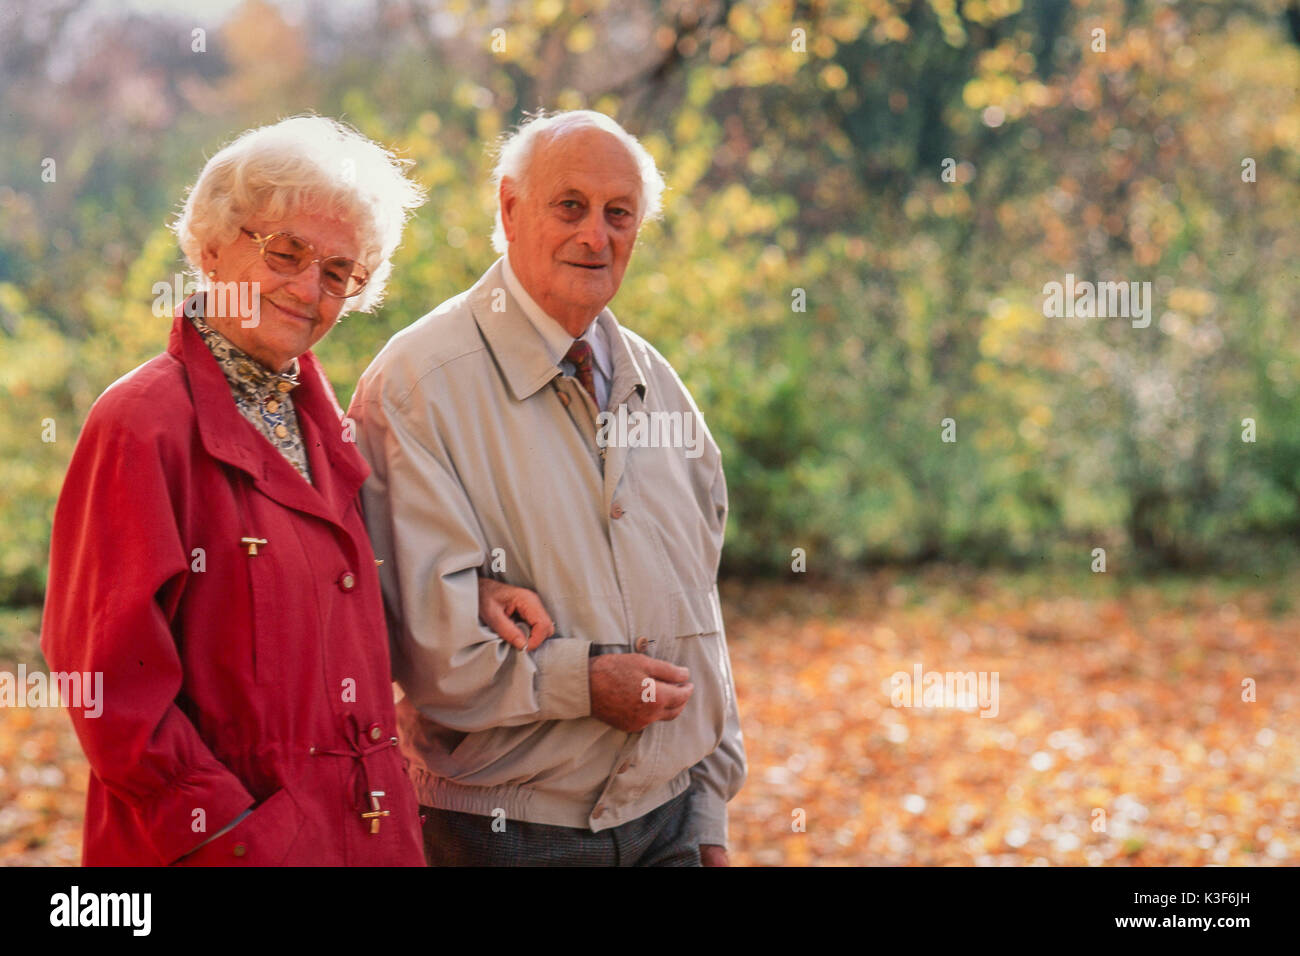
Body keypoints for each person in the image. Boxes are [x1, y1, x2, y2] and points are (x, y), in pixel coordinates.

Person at [40, 115, 552, 866]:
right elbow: (105, 681)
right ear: (212, 246)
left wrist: (458, 592)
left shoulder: (322, 422)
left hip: (367, 836)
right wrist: (227, 832)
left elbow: (324, 587)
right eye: (287, 253)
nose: (309, 287)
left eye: (339, 273)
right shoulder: (141, 424)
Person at [349, 110, 746, 867]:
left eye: (618, 214)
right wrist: (586, 683)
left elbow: (702, 609)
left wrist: (708, 809)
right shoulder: (417, 387)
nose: (595, 235)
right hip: (504, 836)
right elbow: (433, 653)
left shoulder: (657, 384)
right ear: (508, 209)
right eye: (570, 206)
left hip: (670, 828)